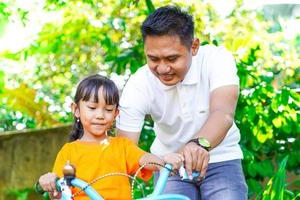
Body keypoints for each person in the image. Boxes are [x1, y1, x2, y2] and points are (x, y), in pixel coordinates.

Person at [116, 5, 248, 200]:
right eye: (153, 59)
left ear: (193, 47)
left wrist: (198, 144)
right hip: (169, 165)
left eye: (172, 58)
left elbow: (223, 113)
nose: (162, 68)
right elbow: (124, 149)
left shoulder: (216, 59)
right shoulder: (139, 84)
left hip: (221, 159)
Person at [38, 74, 183, 200]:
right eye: (92, 108)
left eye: (108, 110)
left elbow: (144, 159)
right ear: (76, 110)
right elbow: (58, 193)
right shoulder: (68, 151)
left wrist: (163, 161)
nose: (100, 115)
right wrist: (51, 182)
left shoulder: (122, 147)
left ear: (115, 114)